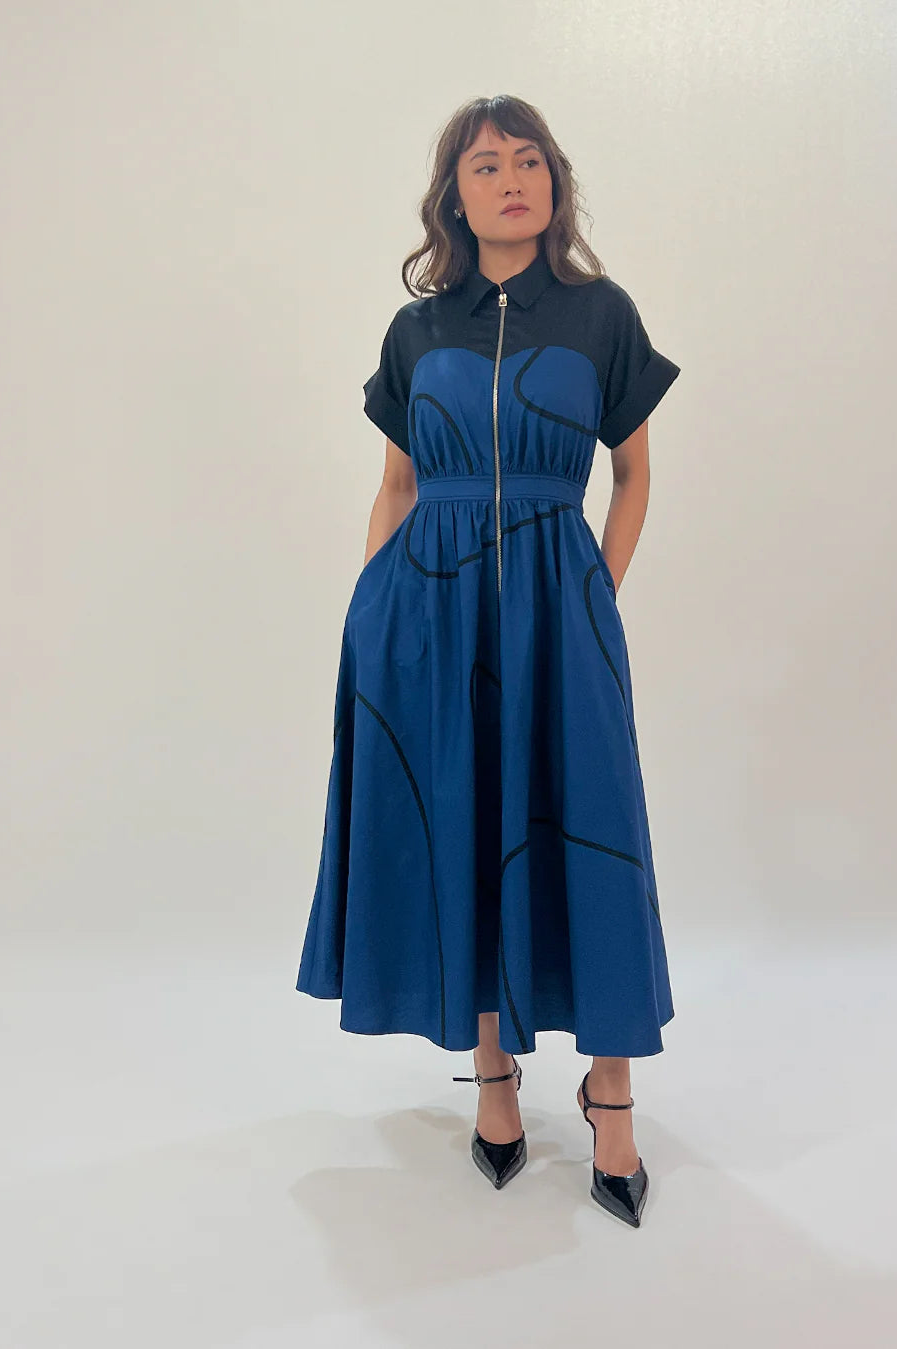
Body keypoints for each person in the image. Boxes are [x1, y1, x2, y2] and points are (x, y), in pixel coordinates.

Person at [295, 94, 682, 1228]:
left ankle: (611, 1092)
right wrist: (377, 617)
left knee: (596, 831)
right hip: (428, 618)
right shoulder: (417, 330)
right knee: (462, 829)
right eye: (485, 166)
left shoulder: (601, 313)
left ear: (554, 184)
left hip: (562, 615)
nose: (511, 180)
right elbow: (397, 486)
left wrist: (595, 595)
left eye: (528, 161)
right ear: (453, 199)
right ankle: (494, 1080)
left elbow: (634, 475)